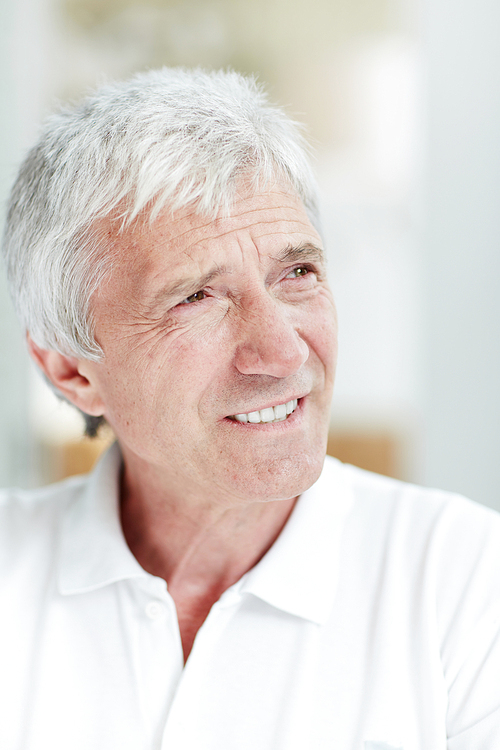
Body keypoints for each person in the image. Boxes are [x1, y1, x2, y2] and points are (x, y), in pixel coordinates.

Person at [1, 68, 499, 750]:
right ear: (69, 369)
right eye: (195, 298)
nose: (283, 352)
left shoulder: (468, 583)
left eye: (297, 273)